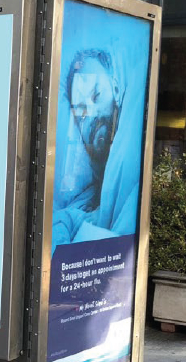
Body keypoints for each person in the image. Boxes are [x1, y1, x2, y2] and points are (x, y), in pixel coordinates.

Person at [53, 48, 141, 245]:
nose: (91, 114)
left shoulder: (130, 132)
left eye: (97, 95)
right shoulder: (85, 199)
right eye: (81, 112)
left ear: (116, 89)